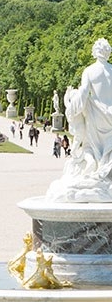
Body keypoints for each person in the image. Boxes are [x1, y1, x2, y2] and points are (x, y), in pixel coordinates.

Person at [47, 38, 112, 202]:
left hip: (97, 115)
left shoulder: (90, 71)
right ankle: (105, 177)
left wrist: (71, 107)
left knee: (94, 147)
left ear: (94, 51)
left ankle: (96, 175)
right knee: (109, 149)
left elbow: (83, 95)